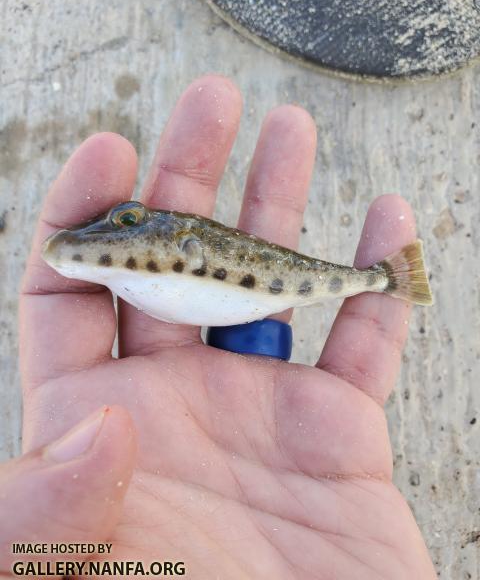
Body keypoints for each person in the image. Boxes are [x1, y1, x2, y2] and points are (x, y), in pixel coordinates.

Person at [0, 75, 436, 578]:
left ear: (185, 247)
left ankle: (386, 279)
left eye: (126, 222)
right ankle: (383, 279)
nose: (120, 230)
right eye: (125, 222)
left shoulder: (185, 251)